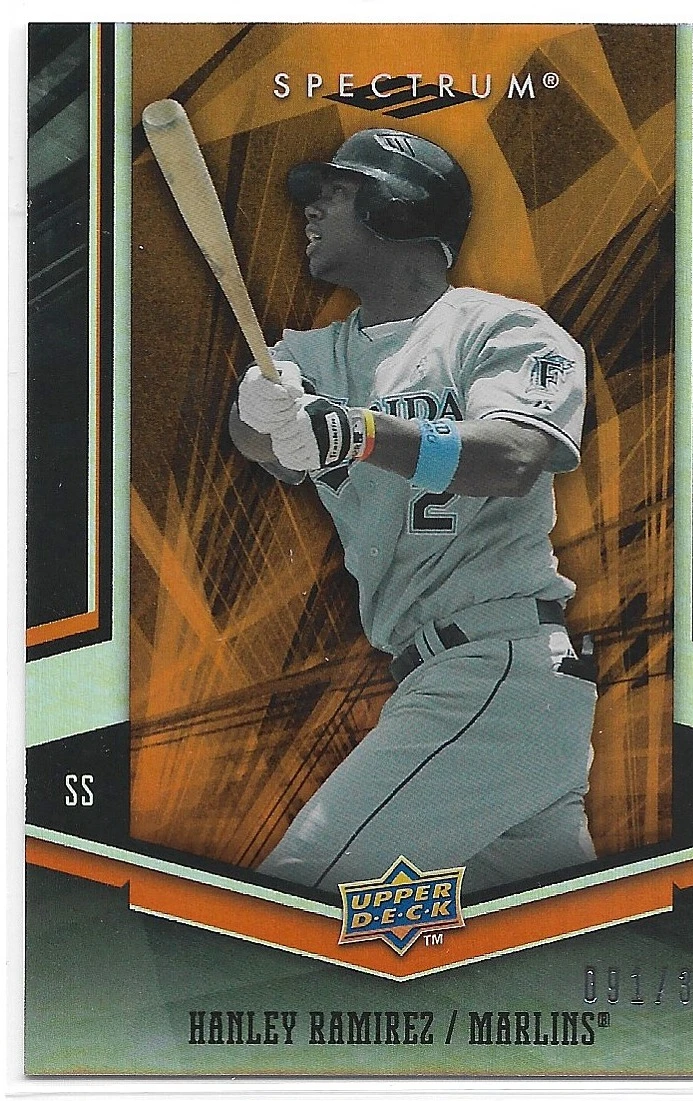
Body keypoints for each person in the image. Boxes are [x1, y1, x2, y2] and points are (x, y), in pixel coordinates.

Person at [229, 127, 597, 896]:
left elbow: (511, 457)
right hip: (468, 684)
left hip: (497, 664)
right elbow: (262, 442)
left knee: (296, 904)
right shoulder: (312, 356)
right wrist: (259, 411)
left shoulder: (502, 329)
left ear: (395, 206)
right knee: (527, 945)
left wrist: (355, 430)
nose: (309, 209)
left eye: (333, 192)